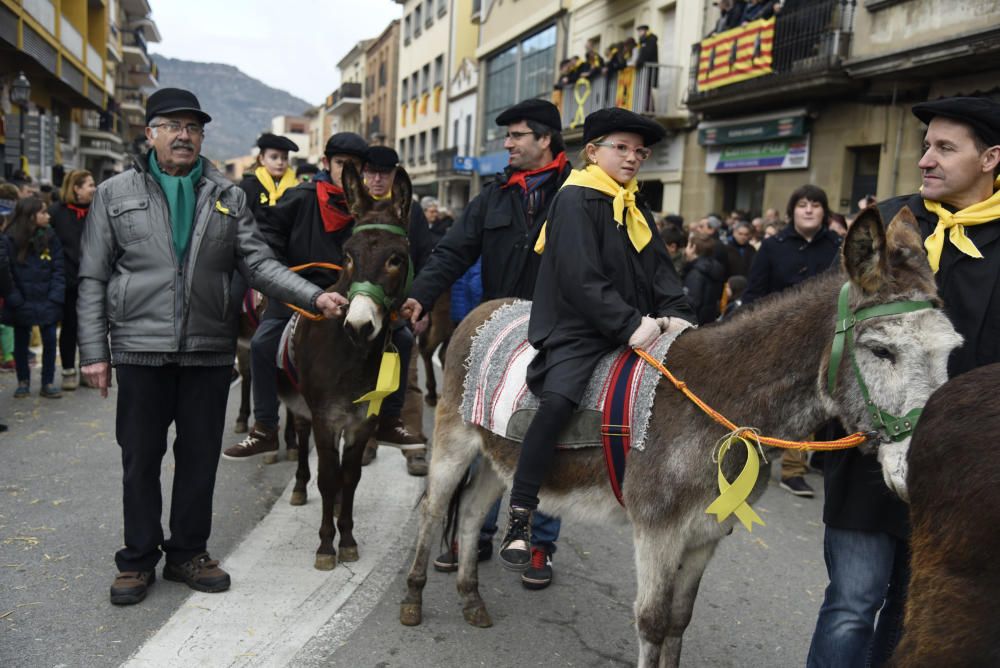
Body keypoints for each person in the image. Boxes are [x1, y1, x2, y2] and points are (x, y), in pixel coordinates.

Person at [76, 88, 344, 606]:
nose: (184, 135)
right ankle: (136, 558)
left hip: (207, 350)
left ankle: (187, 554)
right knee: (139, 459)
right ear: (150, 132)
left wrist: (314, 296)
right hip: (138, 348)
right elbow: (91, 277)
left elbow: (259, 265)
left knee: (199, 459)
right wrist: (94, 352)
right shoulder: (114, 193)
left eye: (193, 127)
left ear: (202, 137)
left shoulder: (228, 195)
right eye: (173, 125)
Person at [808, 96, 1000, 668]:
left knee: (917, 611)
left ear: (991, 158)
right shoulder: (887, 222)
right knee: (852, 602)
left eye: (945, 148)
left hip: (959, 472)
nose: (926, 160)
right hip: (870, 454)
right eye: (925, 147)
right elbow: (828, 327)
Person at [497, 107, 695, 573]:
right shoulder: (575, 199)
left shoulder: (633, 203)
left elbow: (661, 274)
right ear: (592, 152)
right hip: (579, 329)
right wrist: (629, 325)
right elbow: (581, 279)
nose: (632, 159)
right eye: (621, 148)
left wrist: (682, 316)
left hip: (638, 323)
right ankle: (521, 512)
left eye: (639, 151)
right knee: (559, 401)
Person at [403, 98, 572, 589]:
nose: (509, 143)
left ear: (545, 139)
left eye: (518, 135)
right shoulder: (493, 197)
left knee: (548, 435)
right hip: (497, 334)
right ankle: (473, 533)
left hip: (559, 334)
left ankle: (539, 542)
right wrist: (419, 296)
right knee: (482, 429)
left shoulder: (580, 193)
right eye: (509, 135)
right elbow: (452, 252)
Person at [225, 135, 431, 476]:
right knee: (262, 343)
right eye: (340, 165)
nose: (348, 174)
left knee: (404, 340)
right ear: (326, 164)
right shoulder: (299, 197)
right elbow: (268, 237)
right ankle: (264, 426)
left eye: (357, 169)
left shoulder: (369, 209)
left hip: (353, 296)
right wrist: (270, 278)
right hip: (298, 291)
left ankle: (390, 420)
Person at [743, 184, 841, 498]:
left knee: (810, 404)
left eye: (815, 204)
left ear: (824, 212)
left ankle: (794, 469)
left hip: (823, 339)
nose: (809, 209)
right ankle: (752, 458)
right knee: (770, 401)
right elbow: (754, 294)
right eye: (802, 204)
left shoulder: (838, 245)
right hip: (779, 338)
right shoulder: (773, 246)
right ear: (792, 211)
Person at [356, 145, 434, 471]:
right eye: (371, 172)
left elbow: (427, 258)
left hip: (399, 310)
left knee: (409, 378)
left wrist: (422, 304)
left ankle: (413, 444)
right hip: (364, 308)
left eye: (384, 173)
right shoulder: (357, 207)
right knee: (368, 379)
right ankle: (368, 440)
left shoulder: (410, 210)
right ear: (363, 174)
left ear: (393, 175)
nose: (377, 179)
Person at [2, 197, 64, 398]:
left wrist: (55, 296)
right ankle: (23, 381)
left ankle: (47, 381)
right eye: (43, 212)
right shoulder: (10, 239)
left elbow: (58, 269)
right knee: (21, 341)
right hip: (22, 299)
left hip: (46, 298)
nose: (48, 216)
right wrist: (14, 298)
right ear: (30, 216)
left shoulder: (51, 236)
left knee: (49, 341)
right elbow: (6, 271)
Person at [49, 169, 96, 391]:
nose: (94, 189)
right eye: (89, 185)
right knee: (69, 327)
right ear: (76, 188)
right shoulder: (56, 213)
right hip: (67, 280)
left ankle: (88, 369)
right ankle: (68, 370)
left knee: (90, 328)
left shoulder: (97, 211)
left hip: (92, 280)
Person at [239, 133, 300, 223]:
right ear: (262, 159)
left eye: (284, 158)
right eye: (274, 157)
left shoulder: (296, 187)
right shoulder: (249, 186)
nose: (280, 162)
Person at [683, 232, 726, 324]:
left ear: (693, 248)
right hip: (709, 321)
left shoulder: (696, 273)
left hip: (695, 323)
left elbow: (692, 303)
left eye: (687, 245)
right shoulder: (716, 268)